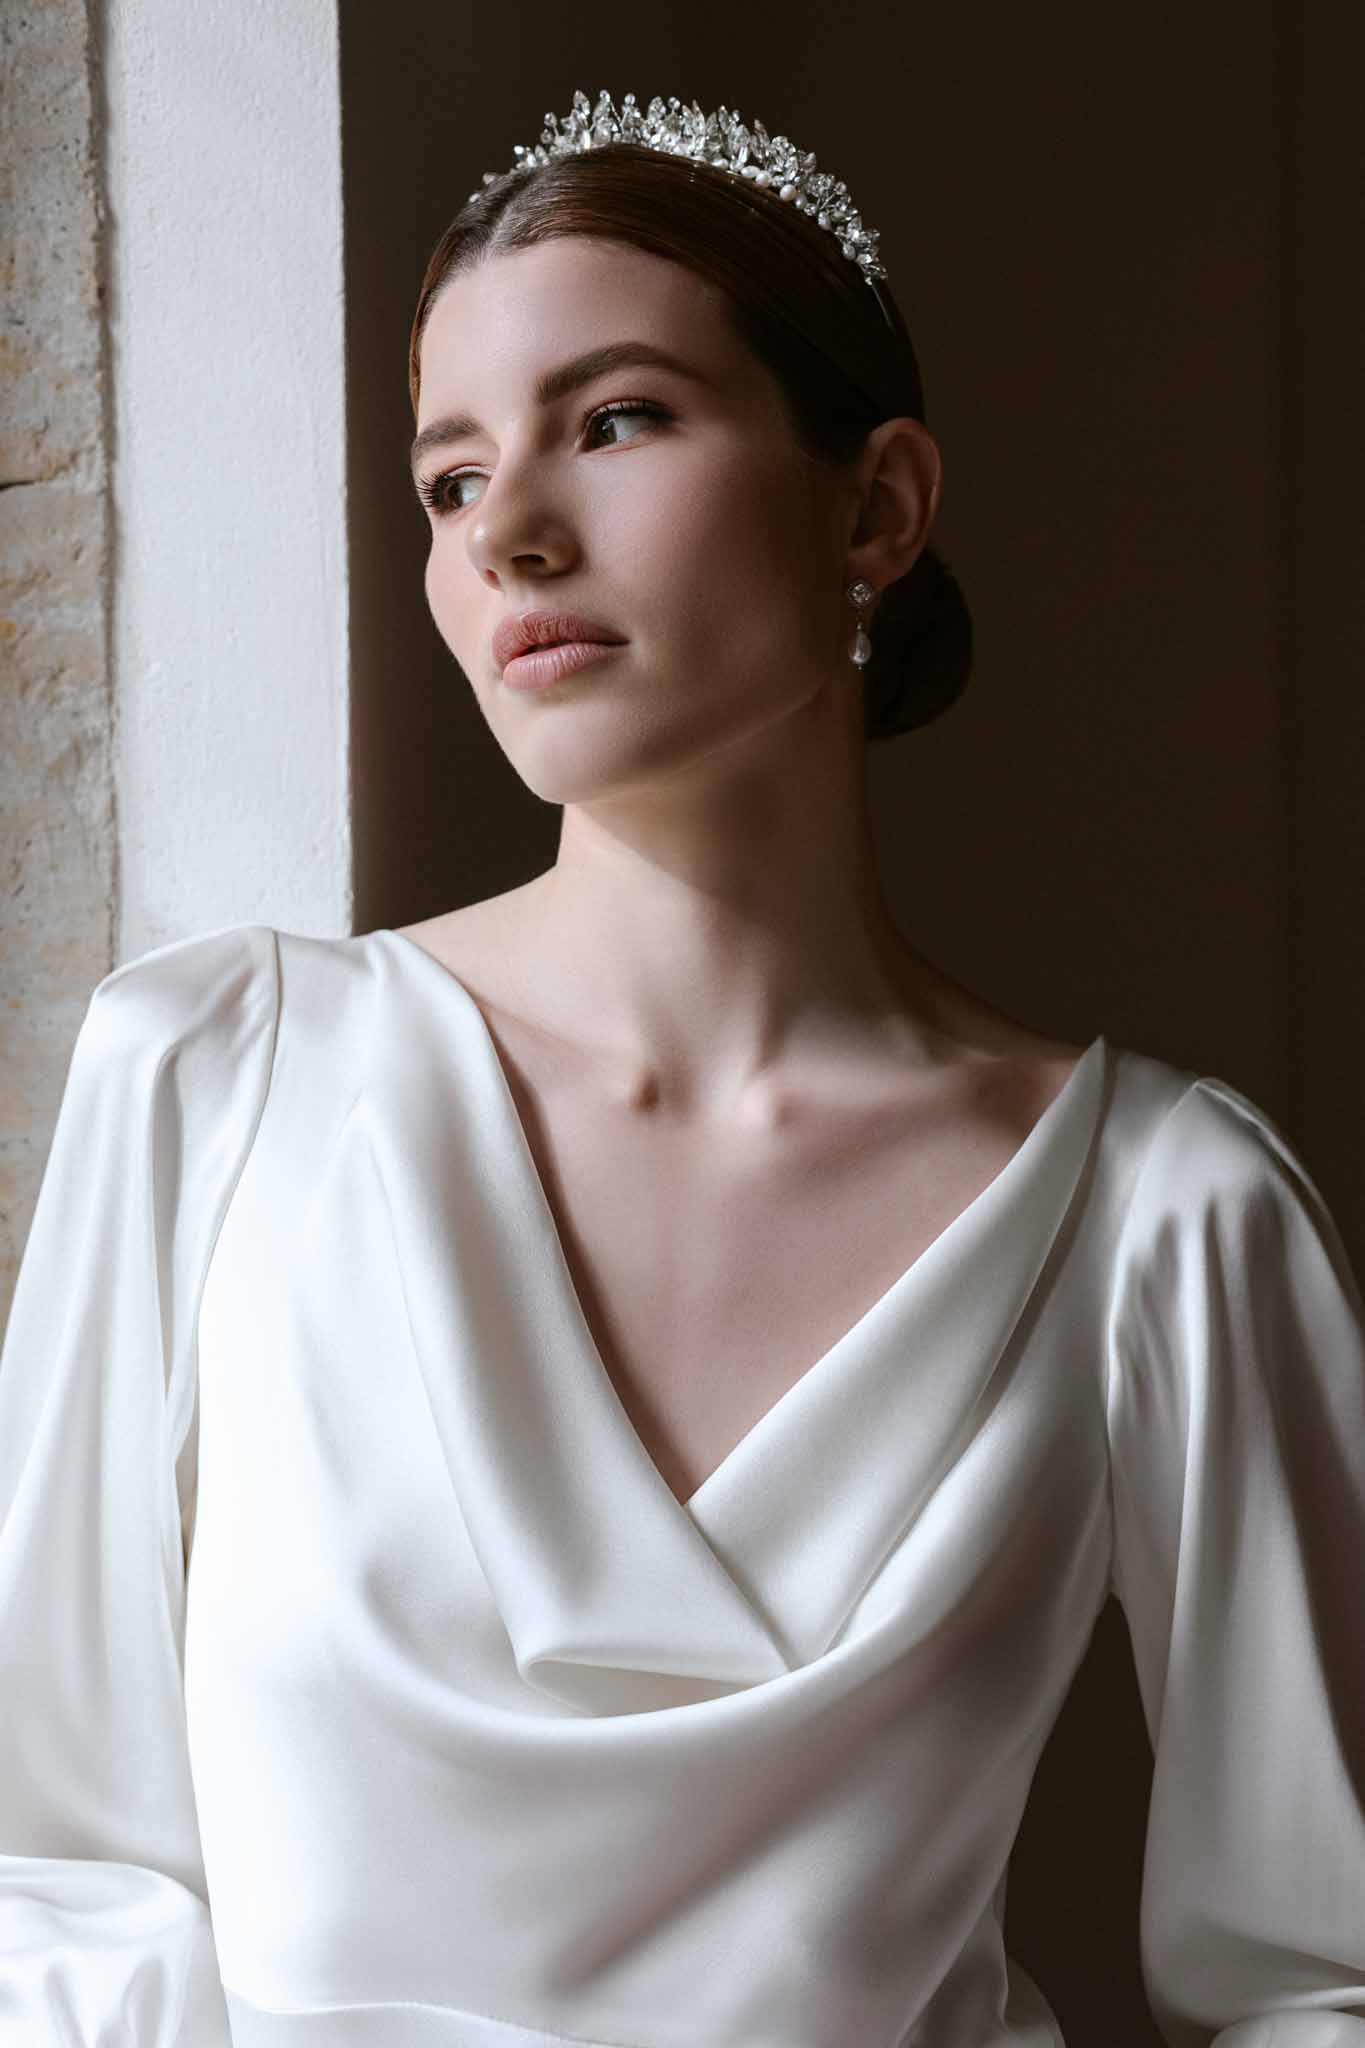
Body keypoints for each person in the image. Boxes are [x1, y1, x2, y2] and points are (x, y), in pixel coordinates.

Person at [1, 85, 1362, 2048]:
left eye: (617, 419)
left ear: (875, 506)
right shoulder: (218, 1083)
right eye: (447, 480)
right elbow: (51, 1880)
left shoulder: (1165, 1215)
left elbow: (1319, 1978)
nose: (508, 535)